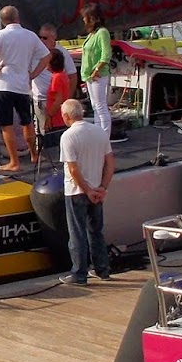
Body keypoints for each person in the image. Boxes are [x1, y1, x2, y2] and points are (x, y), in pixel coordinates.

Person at [0, 6, 48, 174]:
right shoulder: (30, 35)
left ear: (3, 21)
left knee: (6, 124)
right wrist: (33, 74)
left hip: (3, 84)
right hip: (22, 85)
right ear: (18, 17)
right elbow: (46, 56)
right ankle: (34, 155)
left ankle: (14, 162)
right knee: (27, 121)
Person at [58, 99, 114, 285]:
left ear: (66, 116)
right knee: (96, 231)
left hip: (76, 191)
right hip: (97, 189)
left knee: (77, 234)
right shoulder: (99, 132)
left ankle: (79, 274)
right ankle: (102, 269)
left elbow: (73, 169)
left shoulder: (68, 136)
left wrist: (87, 190)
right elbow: (110, 163)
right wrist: (103, 187)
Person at [80, 4, 114, 137]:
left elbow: (106, 54)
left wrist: (96, 70)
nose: (83, 19)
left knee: (100, 106)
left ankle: (105, 135)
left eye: (85, 17)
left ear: (92, 18)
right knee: (95, 107)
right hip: (89, 76)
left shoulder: (102, 33)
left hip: (97, 75)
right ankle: (98, 134)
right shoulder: (92, 34)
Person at [32, 26, 70, 132]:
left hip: (56, 119)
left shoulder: (57, 77)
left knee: (50, 138)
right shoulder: (62, 75)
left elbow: (58, 100)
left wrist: (49, 116)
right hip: (58, 117)